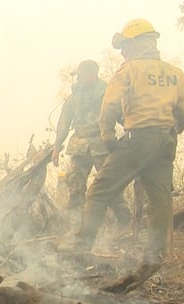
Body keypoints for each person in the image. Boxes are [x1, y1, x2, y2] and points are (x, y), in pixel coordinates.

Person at [68, 18, 184, 265]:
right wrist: (171, 131)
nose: (123, 52)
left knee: (98, 191)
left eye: (125, 46)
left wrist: (108, 136)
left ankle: (80, 248)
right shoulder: (175, 73)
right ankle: (156, 256)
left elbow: (110, 106)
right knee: (160, 201)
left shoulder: (129, 70)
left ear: (137, 44)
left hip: (137, 139)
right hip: (165, 141)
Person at [52, 59, 132, 229]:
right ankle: (75, 225)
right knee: (75, 185)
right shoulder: (73, 98)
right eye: (78, 76)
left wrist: (134, 131)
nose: (79, 79)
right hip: (79, 147)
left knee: (110, 185)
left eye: (82, 75)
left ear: (92, 74)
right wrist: (56, 147)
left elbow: (122, 116)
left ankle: (125, 221)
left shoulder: (107, 94)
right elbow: (64, 123)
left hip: (102, 145)